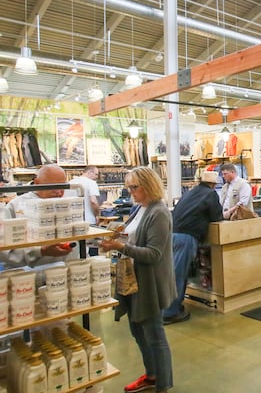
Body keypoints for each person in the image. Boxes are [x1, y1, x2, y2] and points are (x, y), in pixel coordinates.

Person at [99, 167, 176, 393]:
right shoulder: (139, 209)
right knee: (137, 329)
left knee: (154, 334)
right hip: (133, 282)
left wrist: (121, 246)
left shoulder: (159, 212)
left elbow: (153, 254)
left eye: (135, 187)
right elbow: (133, 237)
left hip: (149, 284)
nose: (131, 192)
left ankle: (162, 383)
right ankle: (152, 375)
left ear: (149, 185)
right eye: (129, 187)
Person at [163, 171, 223, 325]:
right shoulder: (211, 194)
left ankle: (172, 307)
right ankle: (169, 312)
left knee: (175, 273)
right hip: (187, 237)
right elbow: (217, 216)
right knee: (179, 275)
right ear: (214, 184)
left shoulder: (191, 192)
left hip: (173, 234)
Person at [3, 164, 76, 268]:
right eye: (53, 187)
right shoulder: (16, 206)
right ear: (37, 183)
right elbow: (6, 250)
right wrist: (40, 251)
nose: (59, 192)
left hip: (62, 272)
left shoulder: (67, 204)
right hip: (26, 275)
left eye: (62, 186)